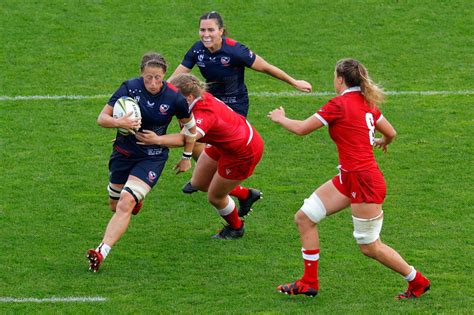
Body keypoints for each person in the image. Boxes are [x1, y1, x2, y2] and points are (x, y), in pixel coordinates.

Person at [267, 59, 430, 299]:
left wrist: (280, 117)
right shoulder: (367, 103)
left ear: (340, 79)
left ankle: (418, 281)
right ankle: (308, 282)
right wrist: (384, 141)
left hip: (363, 182)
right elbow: (391, 132)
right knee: (305, 217)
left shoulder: (338, 104)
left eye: (334, 76)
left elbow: (302, 128)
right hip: (348, 178)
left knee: (369, 246)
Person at [170, 11, 310, 202]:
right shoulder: (197, 50)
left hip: (234, 106)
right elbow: (178, 77)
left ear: (221, 31)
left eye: (211, 30)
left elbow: (266, 67)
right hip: (210, 102)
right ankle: (213, 181)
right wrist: (161, 94)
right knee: (197, 144)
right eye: (202, 30)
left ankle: (219, 184)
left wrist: (294, 82)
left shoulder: (236, 50)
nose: (206, 34)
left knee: (203, 140)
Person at [86, 52, 196, 272]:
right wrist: (120, 121)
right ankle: (135, 199)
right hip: (123, 153)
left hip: (152, 156)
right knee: (115, 205)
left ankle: (101, 251)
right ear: (141, 75)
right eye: (148, 78)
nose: (153, 83)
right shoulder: (129, 88)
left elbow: (190, 130)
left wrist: (186, 157)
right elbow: (101, 118)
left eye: (157, 78)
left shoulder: (174, 98)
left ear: (164, 75)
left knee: (126, 202)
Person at [136, 73, 264, 239]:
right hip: (224, 143)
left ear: (189, 97)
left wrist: (156, 140)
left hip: (243, 152)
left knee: (215, 197)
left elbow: (186, 138)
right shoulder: (193, 100)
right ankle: (246, 195)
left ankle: (236, 228)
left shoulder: (203, 113)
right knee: (199, 183)